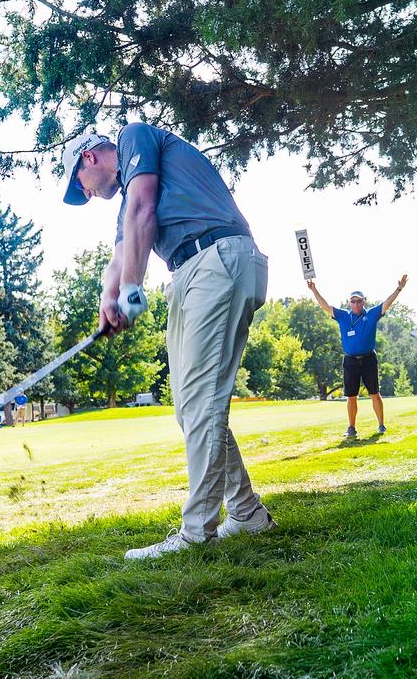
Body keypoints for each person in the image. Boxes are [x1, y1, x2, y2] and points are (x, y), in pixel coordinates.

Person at [61, 124, 274, 560]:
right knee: (190, 405)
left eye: (78, 187)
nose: (84, 195)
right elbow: (120, 257)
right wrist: (110, 297)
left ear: (89, 158)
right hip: (192, 270)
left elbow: (144, 209)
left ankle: (197, 533)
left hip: (217, 257)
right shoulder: (125, 201)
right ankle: (248, 514)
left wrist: (132, 294)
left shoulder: (134, 136)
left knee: (200, 403)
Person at [306, 276, 408, 438]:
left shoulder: (372, 314)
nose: (356, 304)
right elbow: (325, 305)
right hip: (350, 361)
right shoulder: (343, 316)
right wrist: (313, 290)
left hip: (368, 359)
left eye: (359, 301)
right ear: (349, 303)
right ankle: (351, 427)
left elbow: (387, 303)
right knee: (351, 396)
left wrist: (399, 289)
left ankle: (381, 425)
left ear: (364, 302)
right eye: (353, 301)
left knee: (374, 393)